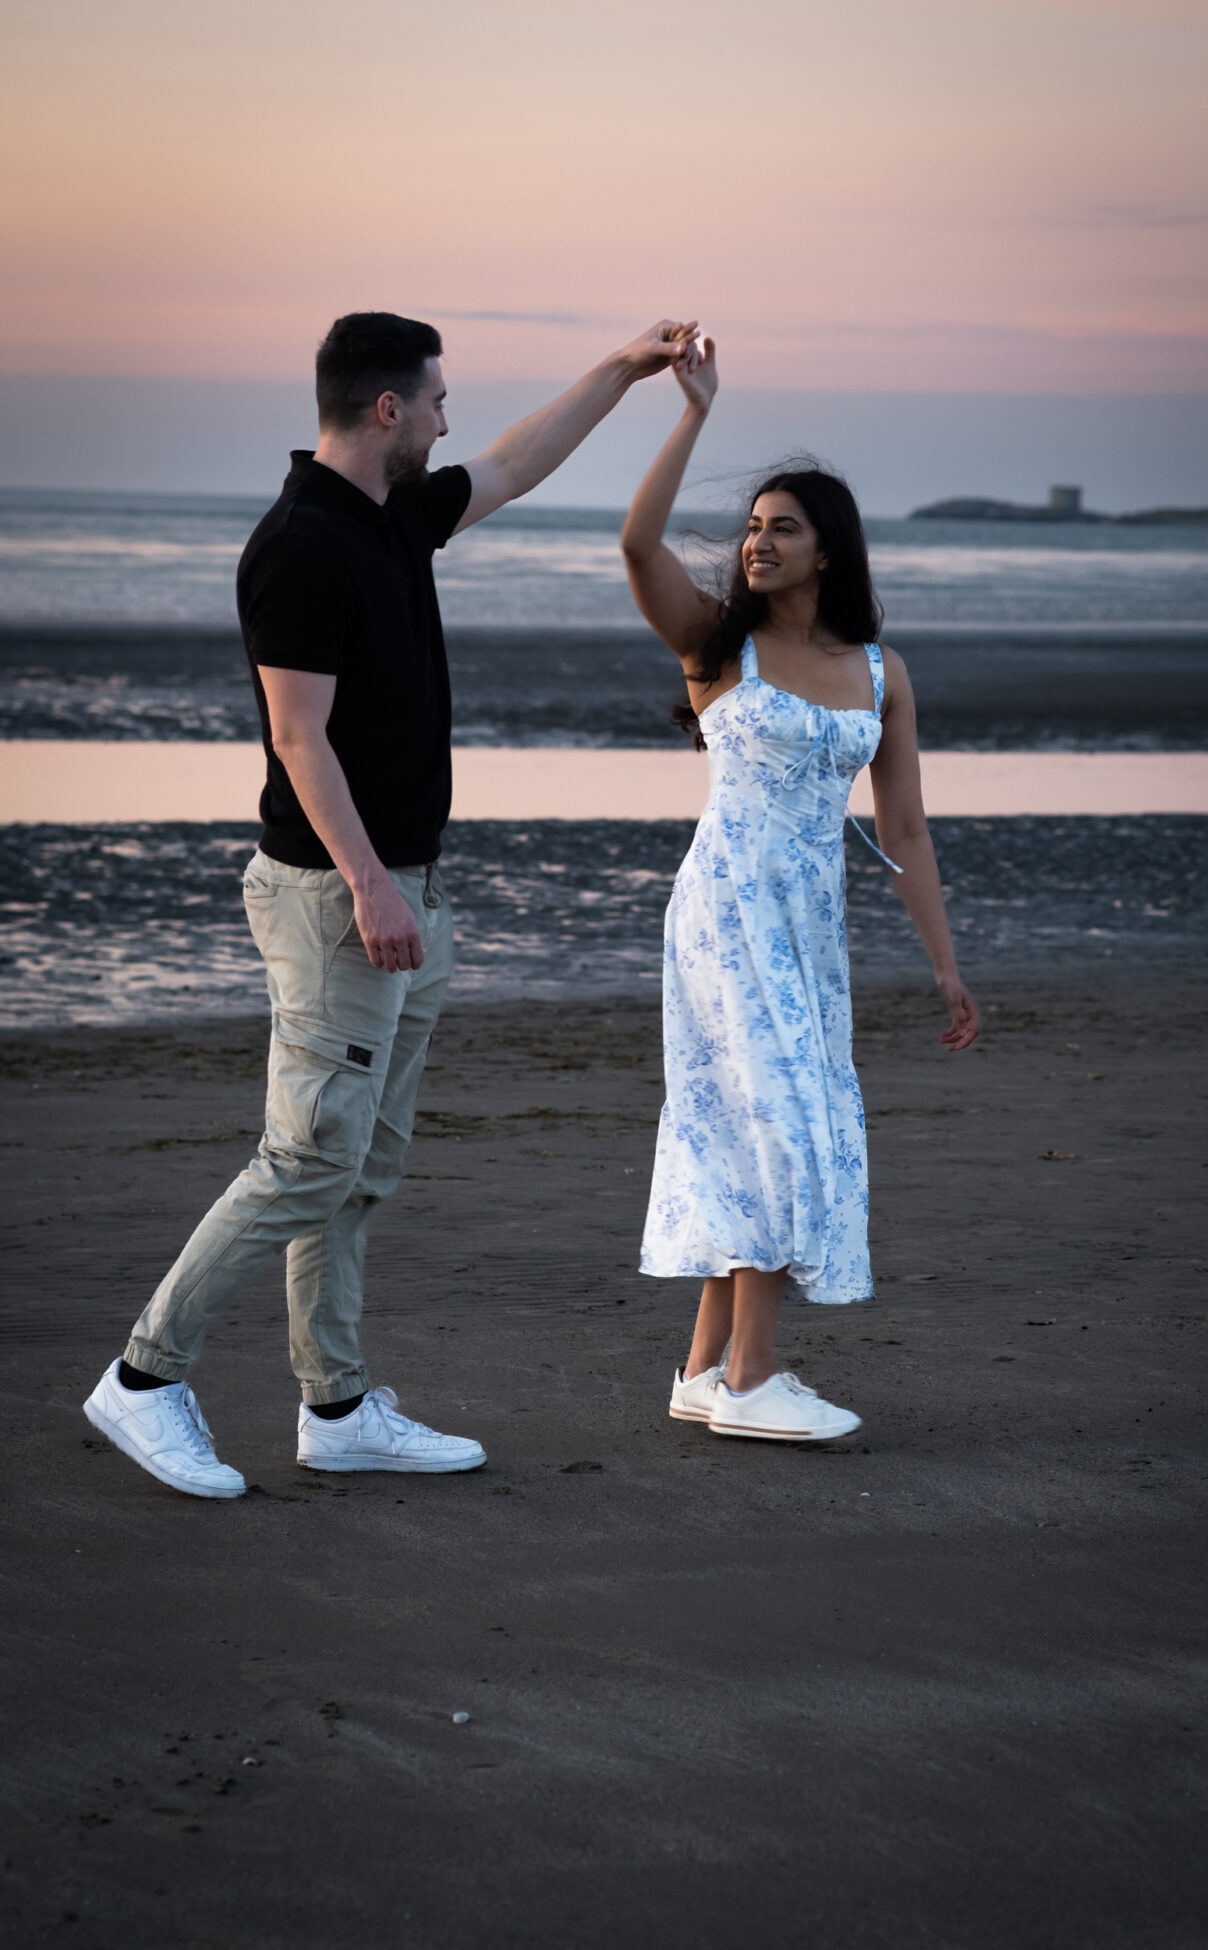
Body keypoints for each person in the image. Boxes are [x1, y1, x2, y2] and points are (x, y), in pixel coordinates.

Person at [84, 309, 700, 1498]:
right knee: (305, 1156)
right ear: (385, 410)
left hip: (406, 890)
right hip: (336, 898)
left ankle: (339, 1407)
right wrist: (369, 885)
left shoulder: (391, 518)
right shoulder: (301, 545)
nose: (446, 418)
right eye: (434, 400)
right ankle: (145, 1380)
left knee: (358, 1168)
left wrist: (627, 370)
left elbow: (518, 459)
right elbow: (296, 737)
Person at [620, 336, 979, 1444]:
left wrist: (944, 966)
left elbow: (904, 826)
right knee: (777, 1123)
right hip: (724, 916)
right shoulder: (717, 650)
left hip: (807, 928)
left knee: (756, 1123)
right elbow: (635, 542)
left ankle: (700, 1370)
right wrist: (691, 414)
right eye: (751, 526)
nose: (757, 542)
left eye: (783, 527)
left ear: (828, 551)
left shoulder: (880, 671)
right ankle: (750, 1382)